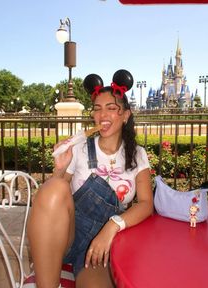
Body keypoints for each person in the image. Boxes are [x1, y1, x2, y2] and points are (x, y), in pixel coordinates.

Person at [27, 69, 153, 288]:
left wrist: (112, 227)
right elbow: (55, 199)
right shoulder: (80, 149)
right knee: (55, 185)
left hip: (103, 247)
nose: (103, 115)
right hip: (68, 235)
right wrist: (59, 169)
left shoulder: (138, 154)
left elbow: (146, 204)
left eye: (111, 108)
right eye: (97, 109)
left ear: (125, 115)